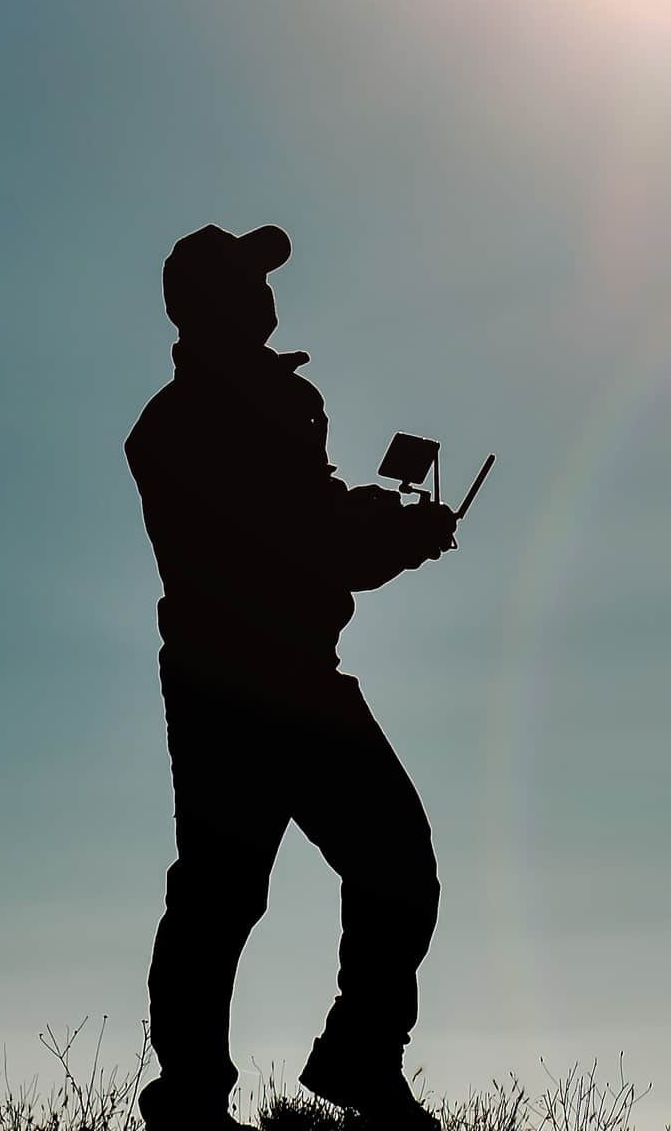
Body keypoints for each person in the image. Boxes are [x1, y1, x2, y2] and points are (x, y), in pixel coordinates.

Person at [125, 223, 457, 1131]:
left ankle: (249, 1085)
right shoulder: (211, 417)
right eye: (250, 278)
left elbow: (307, 519)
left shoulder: (232, 409)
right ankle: (281, 1079)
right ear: (218, 303)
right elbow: (297, 540)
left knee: (236, 891)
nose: (269, 292)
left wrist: (376, 525)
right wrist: (395, 535)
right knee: (270, 886)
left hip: (253, 677)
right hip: (254, 682)